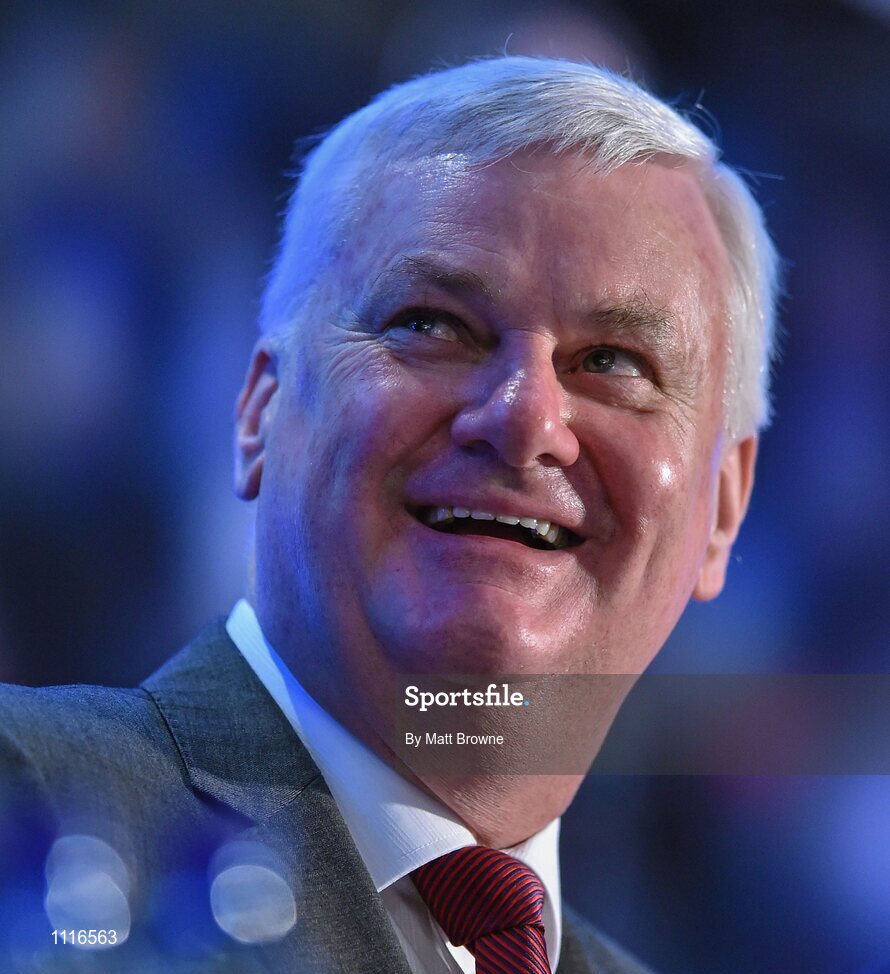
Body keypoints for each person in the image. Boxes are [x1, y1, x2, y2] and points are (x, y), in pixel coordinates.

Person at [0, 56, 778, 973]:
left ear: (723, 508)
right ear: (259, 415)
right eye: (433, 324)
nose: (527, 418)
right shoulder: (30, 801)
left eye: (612, 363)